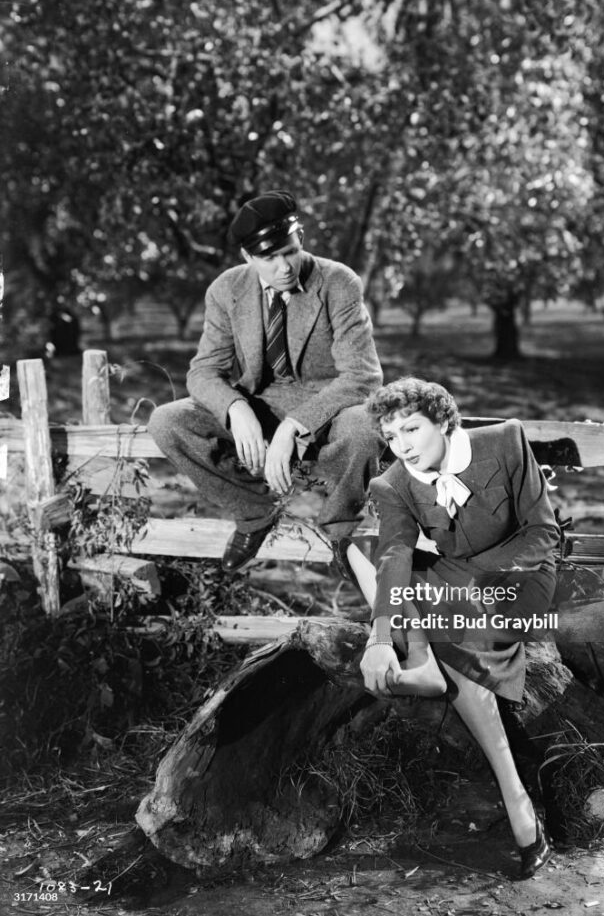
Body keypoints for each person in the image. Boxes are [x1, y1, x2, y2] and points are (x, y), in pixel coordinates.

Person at [343, 377, 560, 879]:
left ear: (443, 421)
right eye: (391, 436)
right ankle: (519, 808)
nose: (402, 446)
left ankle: (426, 666)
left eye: (412, 430)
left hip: (519, 578)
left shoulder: (505, 441)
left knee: (439, 601)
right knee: (365, 552)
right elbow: (396, 552)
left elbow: (543, 532)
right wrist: (378, 641)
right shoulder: (393, 483)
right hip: (457, 590)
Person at [149, 190, 384, 573]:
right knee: (166, 421)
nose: (284, 267)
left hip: (326, 407)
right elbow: (203, 371)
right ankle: (255, 513)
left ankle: (342, 533)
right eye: (268, 258)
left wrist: (295, 425)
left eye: (289, 251)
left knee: (364, 428)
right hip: (258, 404)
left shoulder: (340, 282)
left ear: (301, 239)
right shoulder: (227, 289)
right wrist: (236, 408)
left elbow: (363, 376)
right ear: (247, 258)